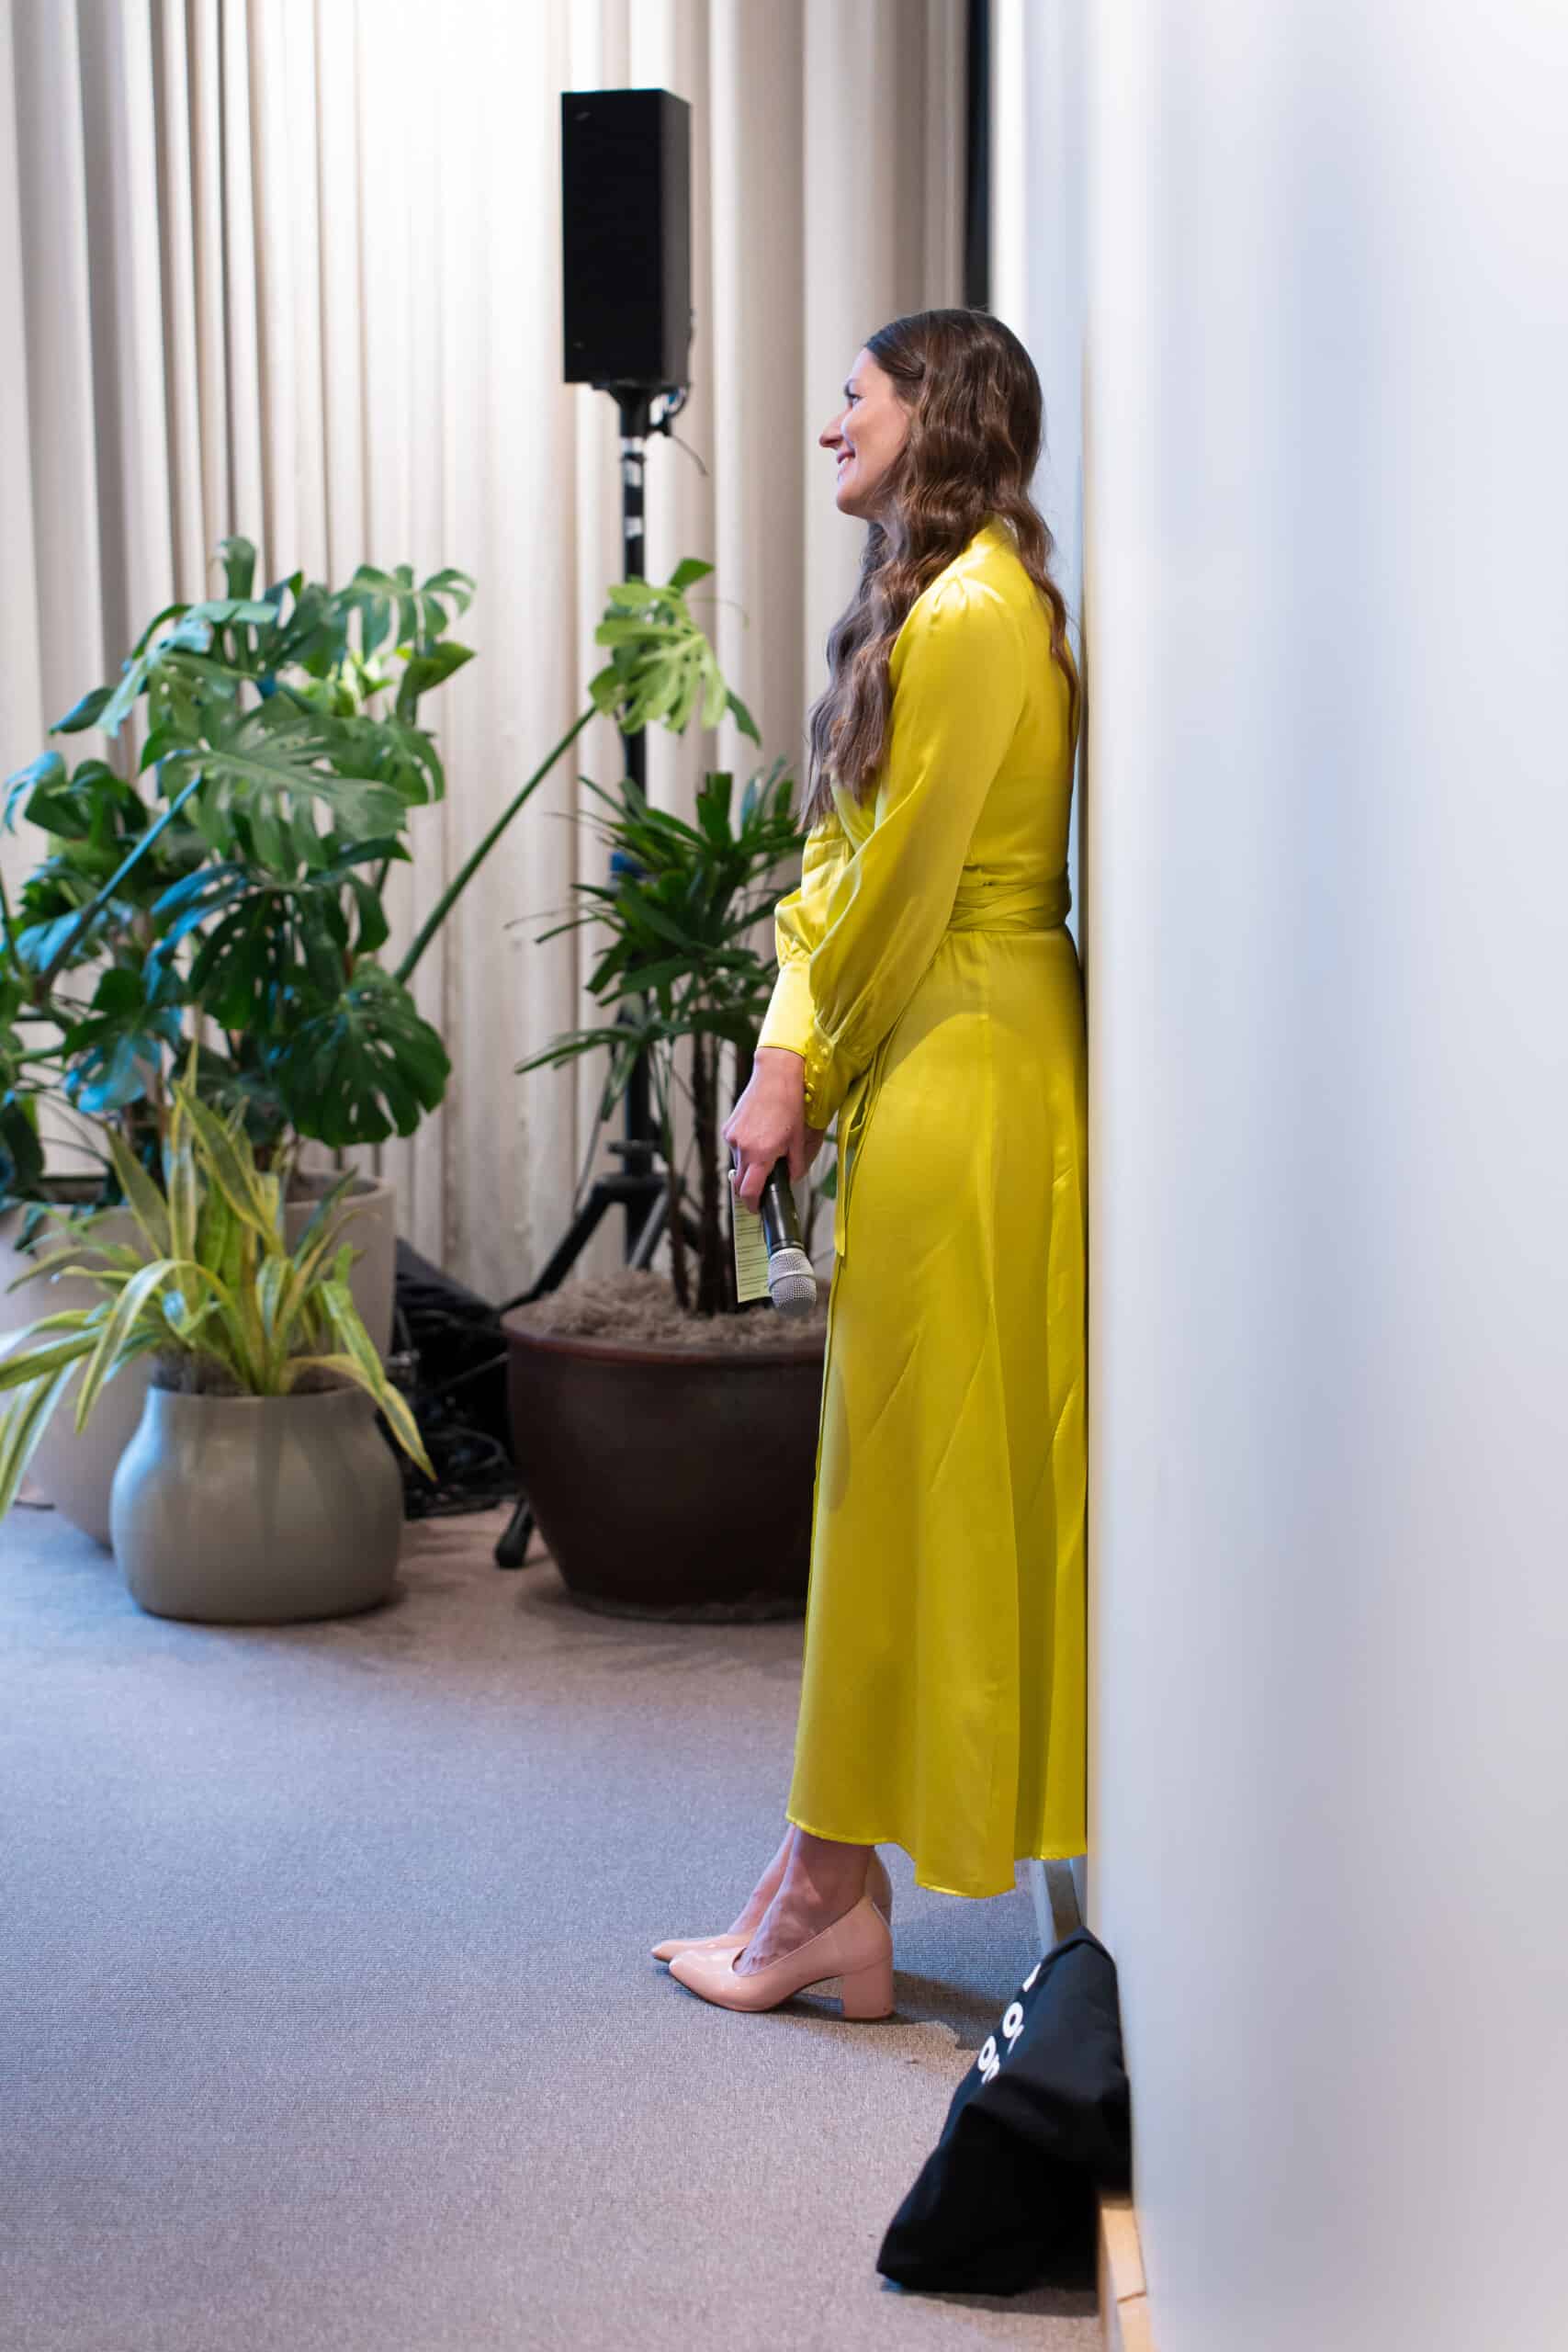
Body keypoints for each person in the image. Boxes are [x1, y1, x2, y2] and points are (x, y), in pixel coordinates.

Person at [654, 308, 1087, 2019]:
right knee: (884, 1475)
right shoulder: (944, 602)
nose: (833, 424)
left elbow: (901, 890)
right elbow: (841, 871)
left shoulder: (977, 613)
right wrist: (799, 1047)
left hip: (970, 1058)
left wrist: (799, 1074)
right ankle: (816, 1877)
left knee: (905, 1473)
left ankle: (823, 1891)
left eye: (857, 395)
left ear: (936, 411)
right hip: (939, 1045)